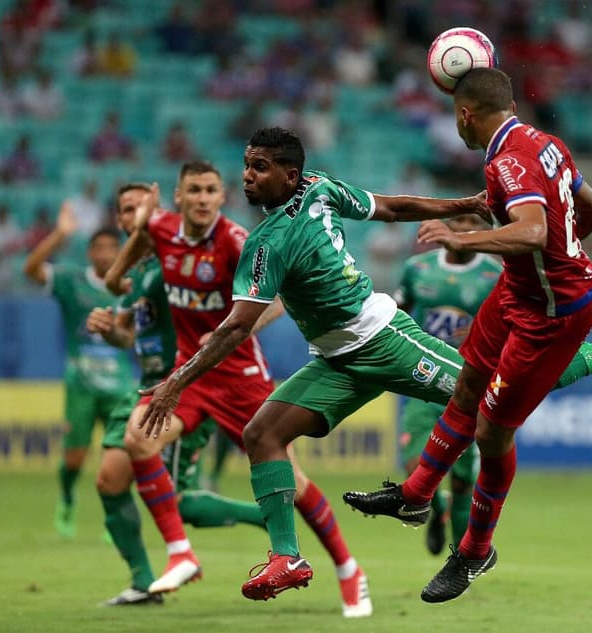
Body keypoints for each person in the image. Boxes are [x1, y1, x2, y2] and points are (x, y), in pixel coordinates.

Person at [129, 125, 592, 604]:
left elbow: (384, 211)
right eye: (246, 166)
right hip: (338, 360)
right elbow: (239, 322)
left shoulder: (294, 216)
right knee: (262, 434)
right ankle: (288, 558)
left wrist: (174, 383)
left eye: (261, 168)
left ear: (292, 174)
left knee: (498, 398)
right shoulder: (296, 209)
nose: (247, 177)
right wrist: (460, 206)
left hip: (384, 340)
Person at [342, 68, 592, 603]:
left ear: (465, 115)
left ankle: (476, 550)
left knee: (491, 433)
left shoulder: (510, 161)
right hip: (517, 292)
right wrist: (557, 255)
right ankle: (414, 495)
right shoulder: (544, 145)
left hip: (553, 314)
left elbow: (533, 230)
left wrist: (471, 239)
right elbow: (591, 210)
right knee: (466, 388)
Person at [104, 162, 372, 617]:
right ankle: (181, 553)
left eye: (211, 190)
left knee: (296, 483)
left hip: (240, 380)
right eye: (195, 190)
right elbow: (114, 280)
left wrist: (240, 330)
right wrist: (143, 224)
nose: (204, 198)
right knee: (138, 436)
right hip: (190, 376)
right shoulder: (161, 229)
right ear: (179, 196)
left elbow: (280, 301)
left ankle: (349, 569)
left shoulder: (236, 241)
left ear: (221, 197)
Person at [88, 183, 266, 606]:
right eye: (126, 210)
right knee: (110, 481)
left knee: (179, 500)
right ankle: (142, 581)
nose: (133, 216)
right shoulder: (146, 271)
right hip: (145, 389)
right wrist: (108, 328)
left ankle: (262, 517)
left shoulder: (173, 265)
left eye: (140, 209)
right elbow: (128, 333)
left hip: (183, 390)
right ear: (119, 219)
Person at [23, 202, 136, 538]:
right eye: (98, 248)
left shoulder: (131, 286)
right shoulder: (72, 281)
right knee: (74, 459)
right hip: (81, 384)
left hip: (119, 384)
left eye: (111, 249)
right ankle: (68, 498)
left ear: (121, 253)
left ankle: (115, 516)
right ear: (89, 253)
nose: (104, 255)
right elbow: (31, 270)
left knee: (122, 456)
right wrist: (59, 235)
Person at [392, 213, 503, 555]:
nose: (467, 227)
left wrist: (485, 333)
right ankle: (436, 512)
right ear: (445, 225)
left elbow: (512, 324)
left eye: (476, 222)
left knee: (461, 480)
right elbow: (397, 312)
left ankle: (461, 562)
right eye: (459, 220)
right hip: (422, 381)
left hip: (469, 387)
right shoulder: (417, 268)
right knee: (414, 470)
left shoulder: (494, 274)